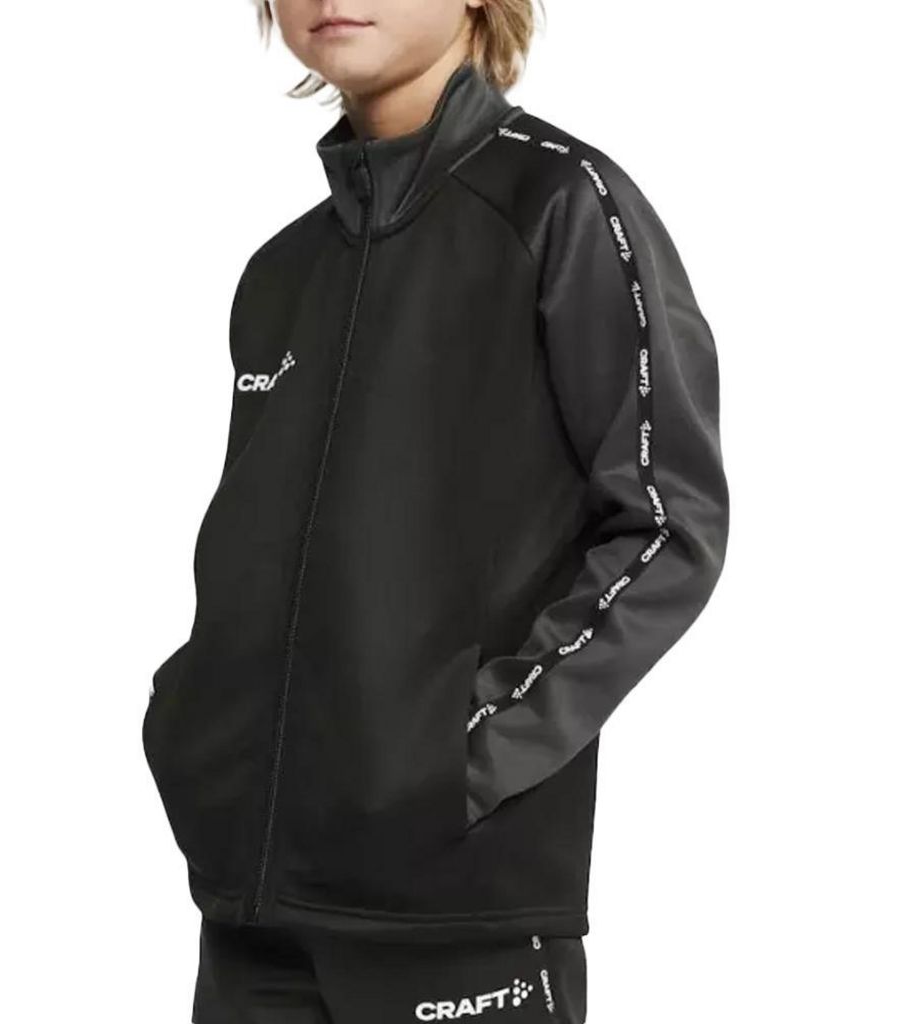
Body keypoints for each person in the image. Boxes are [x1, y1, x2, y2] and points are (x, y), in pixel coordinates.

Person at [142, 1, 730, 1020]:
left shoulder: (561, 203)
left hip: (457, 913)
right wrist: (192, 724)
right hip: (251, 914)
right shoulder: (282, 272)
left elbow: (667, 523)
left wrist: (463, 756)